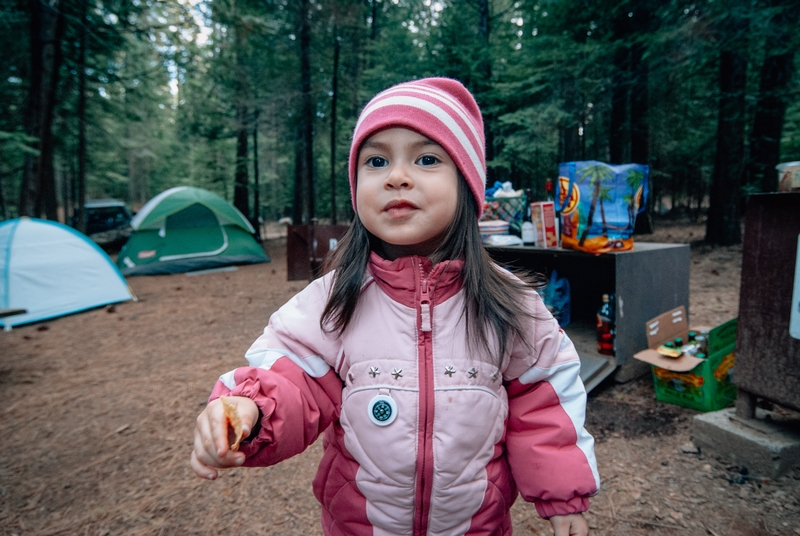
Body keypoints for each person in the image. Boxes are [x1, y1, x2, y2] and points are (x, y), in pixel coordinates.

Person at [191, 77, 600, 536]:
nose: (396, 176)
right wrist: (251, 409)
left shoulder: (509, 305)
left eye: (426, 159)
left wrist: (562, 492)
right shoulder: (332, 302)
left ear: (467, 185)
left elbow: (544, 402)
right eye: (377, 160)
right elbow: (293, 379)